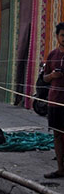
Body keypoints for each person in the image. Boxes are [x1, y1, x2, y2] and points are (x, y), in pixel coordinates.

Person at [43, 22, 64, 179]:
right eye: (63, 35)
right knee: (57, 135)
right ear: (57, 36)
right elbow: (44, 77)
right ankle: (60, 168)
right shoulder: (52, 55)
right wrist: (52, 76)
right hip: (54, 101)